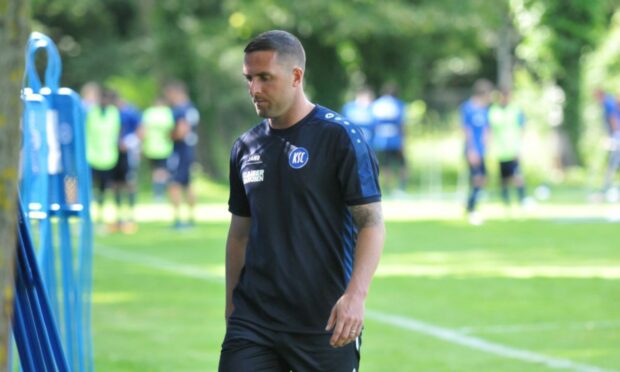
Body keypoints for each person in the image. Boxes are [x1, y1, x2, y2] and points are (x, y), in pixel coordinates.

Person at [219, 30, 385, 372]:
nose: (254, 89)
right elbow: (239, 234)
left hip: (323, 324)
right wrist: (231, 308)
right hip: (254, 322)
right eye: (249, 78)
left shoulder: (339, 137)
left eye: (265, 77)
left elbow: (371, 223)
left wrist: (355, 297)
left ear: (296, 76)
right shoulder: (246, 147)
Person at [165, 81, 200, 228]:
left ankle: (178, 220)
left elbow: (181, 131)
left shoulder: (180, 110)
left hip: (179, 151)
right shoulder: (192, 108)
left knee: (174, 183)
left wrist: (168, 135)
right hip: (189, 149)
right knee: (188, 184)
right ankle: (191, 219)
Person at [85, 88, 121, 225]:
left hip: (108, 157)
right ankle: (90, 215)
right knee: (91, 188)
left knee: (105, 188)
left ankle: (102, 215)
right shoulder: (91, 112)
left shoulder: (113, 113)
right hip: (92, 156)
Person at [461, 79, 493, 225]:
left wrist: (486, 145)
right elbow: (467, 131)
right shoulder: (468, 108)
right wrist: (471, 150)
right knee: (477, 178)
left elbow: (486, 129)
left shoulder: (484, 109)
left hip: (481, 150)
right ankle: (472, 208)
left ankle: (469, 204)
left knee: (482, 179)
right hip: (472, 150)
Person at [488, 89, 527, 209]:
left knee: (518, 176)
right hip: (501, 151)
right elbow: (489, 130)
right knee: (504, 179)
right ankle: (506, 201)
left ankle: (522, 200)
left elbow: (521, 129)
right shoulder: (493, 111)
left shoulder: (515, 110)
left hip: (513, 150)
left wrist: (519, 147)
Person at [109, 95, 142, 233]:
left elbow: (142, 128)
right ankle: (119, 217)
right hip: (113, 154)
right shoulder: (111, 114)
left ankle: (131, 216)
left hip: (128, 153)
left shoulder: (130, 113)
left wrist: (131, 142)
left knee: (130, 182)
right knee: (115, 184)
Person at [371, 83, 408, 195]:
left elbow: (373, 124)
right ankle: (401, 187)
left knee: (385, 165)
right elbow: (401, 123)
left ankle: (387, 188)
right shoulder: (398, 104)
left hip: (380, 139)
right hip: (395, 138)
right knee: (402, 164)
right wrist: (403, 140)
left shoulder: (377, 104)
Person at [141, 97, 176, 201]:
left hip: (150, 148)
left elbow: (143, 130)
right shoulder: (167, 113)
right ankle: (159, 193)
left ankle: (157, 192)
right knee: (162, 172)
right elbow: (171, 130)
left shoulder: (148, 113)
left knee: (156, 171)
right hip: (164, 148)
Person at [594, 89, 620, 199]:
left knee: (612, 163)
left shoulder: (608, 103)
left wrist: (615, 136)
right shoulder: (609, 103)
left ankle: (605, 189)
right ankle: (606, 188)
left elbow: (613, 119)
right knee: (613, 163)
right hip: (615, 135)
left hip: (617, 136)